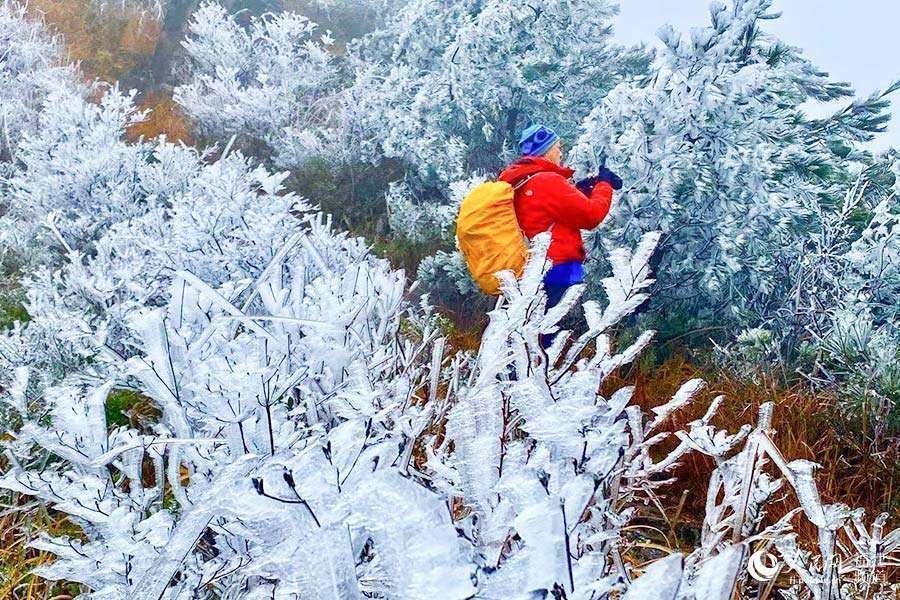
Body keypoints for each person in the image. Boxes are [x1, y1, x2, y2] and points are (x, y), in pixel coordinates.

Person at [498, 123, 622, 347]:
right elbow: (591, 216)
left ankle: (512, 379)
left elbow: (543, 213)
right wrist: (604, 185)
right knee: (545, 339)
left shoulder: (517, 180)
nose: (561, 152)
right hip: (556, 270)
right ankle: (537, 380)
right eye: (558, 147)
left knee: (524, 338)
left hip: (526, 271)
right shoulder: (547, 180)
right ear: (545, 150)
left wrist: (580, 190)